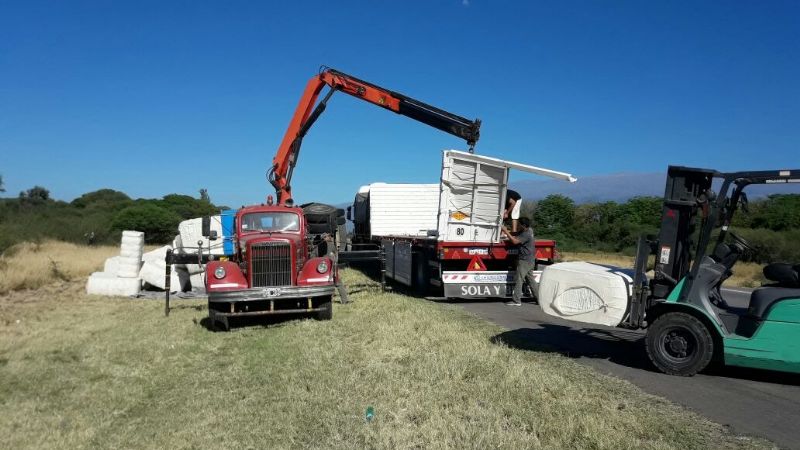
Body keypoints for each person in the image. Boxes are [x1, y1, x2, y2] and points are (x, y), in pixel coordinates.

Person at [501, 216, 535, 306]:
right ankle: (539, 299)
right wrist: (507, 232)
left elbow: (515, 242)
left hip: (524, 260)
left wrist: (505, 231)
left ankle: (516, 301)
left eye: (519, 225)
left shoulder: (526, 234)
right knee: (531, 280)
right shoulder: (529, 230)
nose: (518, 226)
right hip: (530, 259)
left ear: (523, 225)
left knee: (519, 279)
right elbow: (516, 233)